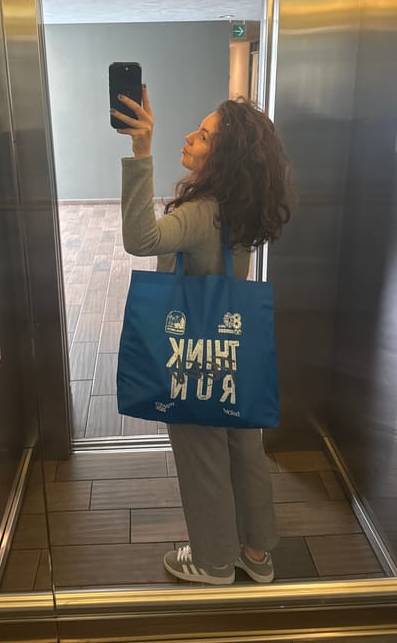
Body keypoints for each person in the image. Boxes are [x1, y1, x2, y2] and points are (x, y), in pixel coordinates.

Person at [111, 85, 292, 586]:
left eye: (204, 136)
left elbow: (140, 238)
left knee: (201, 452)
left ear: (225, 159)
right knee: (241, 442)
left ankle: (213, 561)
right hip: (233, 348)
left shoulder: (199, 213)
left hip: (191, 349)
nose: (189, 137)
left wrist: (140, 152)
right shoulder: (242, 208)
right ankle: (257, 552)